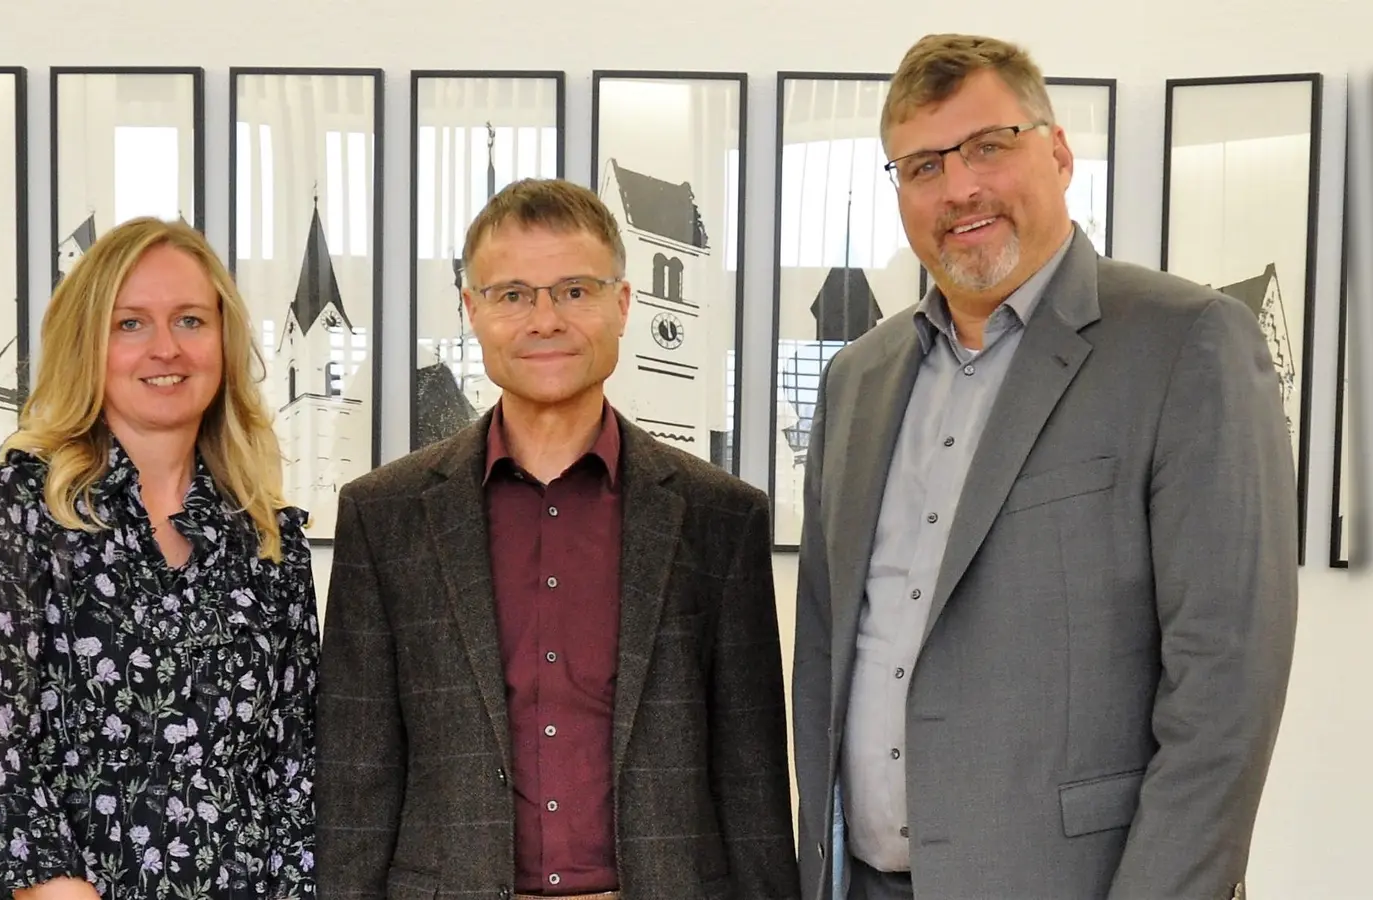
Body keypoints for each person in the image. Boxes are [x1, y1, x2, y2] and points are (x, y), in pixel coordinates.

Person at [790, 33, 1300, 900]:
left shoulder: (1186, 343)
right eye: (921, 166)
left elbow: (1224, 694)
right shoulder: (857, 379)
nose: (959, 187)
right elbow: (825, 656)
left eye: (988, 146)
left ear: (1057, 152)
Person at [317, 178, 800, 900]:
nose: (545, 318)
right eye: (512, 294)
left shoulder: (719, 517)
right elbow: (358, 782)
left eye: (575, 290)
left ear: (623, 304)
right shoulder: (385, 517)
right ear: (471, 311)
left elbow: (751, 781)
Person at [0, 217, 319, 900]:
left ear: (222, 343)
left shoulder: (267, 540)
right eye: (130, 323)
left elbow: (296, 766)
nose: (165, 348)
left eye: (191, 320)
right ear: (88, 344)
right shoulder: (14, 506)